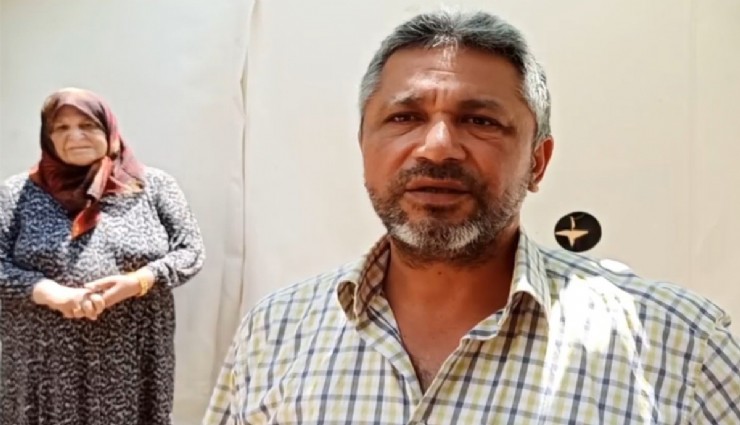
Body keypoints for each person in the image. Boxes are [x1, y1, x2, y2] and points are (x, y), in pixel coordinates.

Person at [202, 10, 740, 425]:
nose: (437, 146)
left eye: (480, 120)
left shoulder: (681, 347)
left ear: (538, 162)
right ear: (364, 146)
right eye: (405, 117)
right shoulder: (276, 332)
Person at [0, 87, 205, 425]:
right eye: (61, 128)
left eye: (87, 125)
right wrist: (50, 293)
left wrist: (136, 282)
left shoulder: (152, 186)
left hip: (132, 352)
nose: (75, 136)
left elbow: (190, 250)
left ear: (108, 130)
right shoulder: (16, 194)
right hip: (43, 358)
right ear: (47, 136)